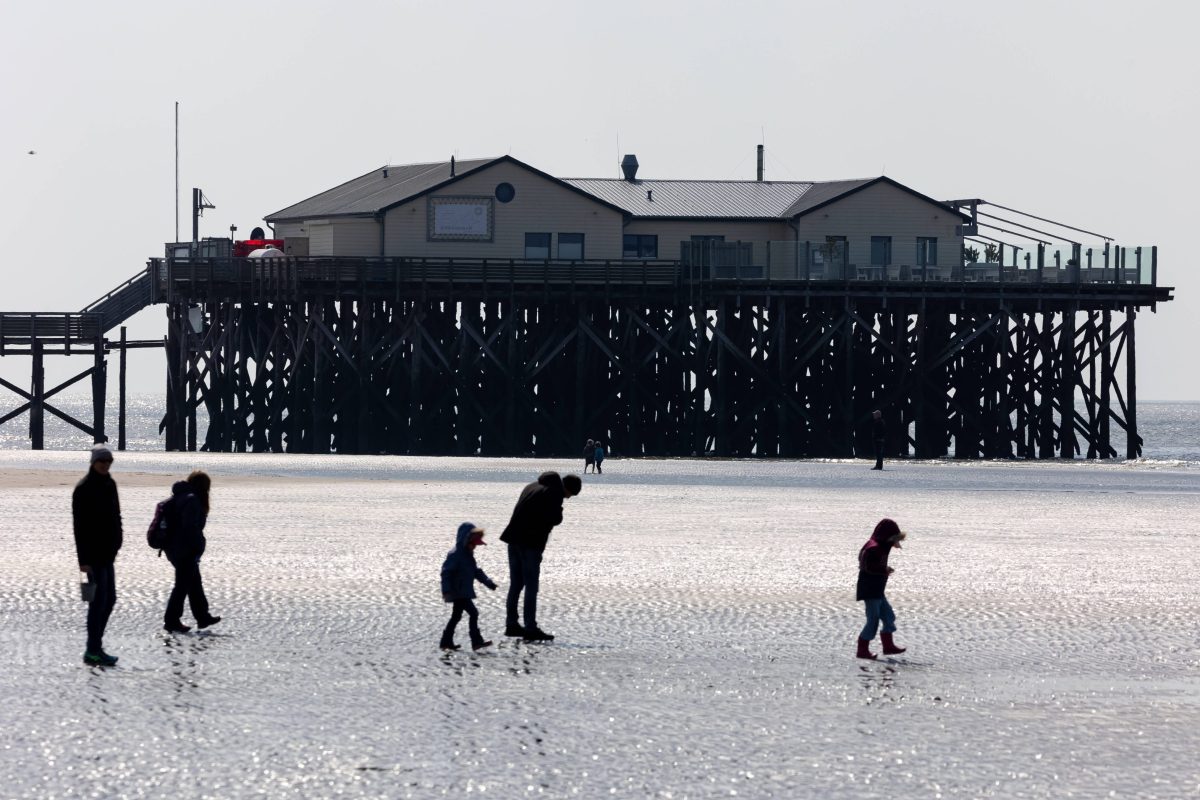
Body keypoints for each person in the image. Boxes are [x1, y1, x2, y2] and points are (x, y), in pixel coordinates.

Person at [499, 471, 582, 641]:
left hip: (513, 540)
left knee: (516, 585)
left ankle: (511, 624)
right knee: (531, 586)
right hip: (530, 544)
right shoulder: (554, 492)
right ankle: (530, 628)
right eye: (570, 495)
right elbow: (554, 518)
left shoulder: (531, 486)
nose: (567, 498)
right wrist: (559, 509)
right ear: (567, 488)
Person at [73, 445, 123, 666]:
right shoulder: (83, 488)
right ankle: (92, 650)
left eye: (109, 461)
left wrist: (119, 539)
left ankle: (95, 646)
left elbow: (116, 514)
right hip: (93, 556)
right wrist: (83, 560)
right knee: (98, 602)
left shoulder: (109, 483)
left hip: (108, 552)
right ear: (93, 462)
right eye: (102, 461)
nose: (106, 465)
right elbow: (79, 527)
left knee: (110, 599)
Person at [163, 470, 222, 633]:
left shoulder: (183, 497)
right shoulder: (192, 501)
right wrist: (198, 546)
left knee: (194, 583)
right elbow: (190, 528)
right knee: (182, 586)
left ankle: (202, 616)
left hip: (175, 548)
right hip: (184, 550)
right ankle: (171, 620)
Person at [439, 522, 498, 651]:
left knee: (456, 616)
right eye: (473, 543)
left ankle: (446, 641)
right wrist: (446, 590)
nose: (475, 547)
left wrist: (488, 582)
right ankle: (476, 641)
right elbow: (446, 573)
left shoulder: (467, 554)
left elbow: (475, 571)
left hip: (462, 591)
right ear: (466, 540)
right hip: (458, 592)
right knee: (473, 613)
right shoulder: (456, 554)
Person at [856, 518, 907, 659]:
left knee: (888, 616)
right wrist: (884, 569)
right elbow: (866, 565)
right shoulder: (873, 547)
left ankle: (888, 646)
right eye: (894, 538)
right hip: (870, 590)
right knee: (873, 620)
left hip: (878, 590)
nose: (895, 542)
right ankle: (862, 650)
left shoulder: (881, 545)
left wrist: (895, 543)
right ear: (887, 536)